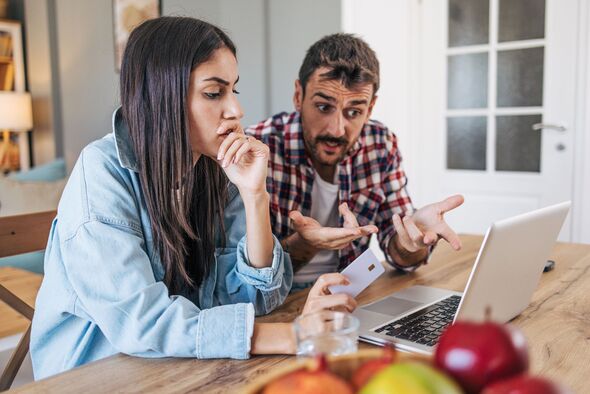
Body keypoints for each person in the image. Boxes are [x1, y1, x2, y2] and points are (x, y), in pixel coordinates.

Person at [30, 17, 356, 380]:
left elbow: (257, 297)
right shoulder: (102, 172)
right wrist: (294, 334)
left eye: (234, 90)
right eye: (214, 93)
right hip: (94, 375)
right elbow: (143, 323)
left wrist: (254, 195)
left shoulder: (213, 168)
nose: (235, 110)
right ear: (161, 96)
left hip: (181, 365)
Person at [246, 34, 464, 291]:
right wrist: (308, 243)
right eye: (324, 107)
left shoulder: (380, 144)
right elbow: (245, 278)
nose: (337, 130)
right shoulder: (257, 149)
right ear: (298, 95)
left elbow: (400, 254)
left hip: (351, 291)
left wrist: (413, 240)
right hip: (279, 302)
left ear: (370, 108)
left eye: (354, 112)